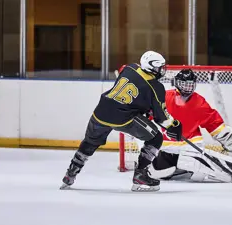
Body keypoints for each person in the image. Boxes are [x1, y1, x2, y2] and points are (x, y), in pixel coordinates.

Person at [60, 51, 182, 192]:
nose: (162, 70)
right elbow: (162, 117)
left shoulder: (130, 68)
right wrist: (175, 125)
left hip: (101, 111)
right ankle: (140, 174)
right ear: (151, 67)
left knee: (90, 142)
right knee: (156, 138)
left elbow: (127, 88)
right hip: (123, 118)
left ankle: (70, 174)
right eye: (160, 67)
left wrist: (143, 106)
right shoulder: (156, 87)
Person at [147, 68, 232, 183]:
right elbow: (147, 115)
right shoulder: (165, 97)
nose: (187, 88)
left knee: (194, 159)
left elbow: (211, 121)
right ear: (176, 83)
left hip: (191, 145)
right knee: (160, 173)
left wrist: (226, 136)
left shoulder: (198, 102)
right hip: (167, 147)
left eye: (190, 85)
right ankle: (179, 169)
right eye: (184, 84)